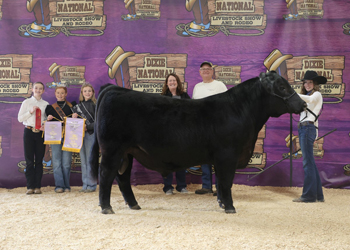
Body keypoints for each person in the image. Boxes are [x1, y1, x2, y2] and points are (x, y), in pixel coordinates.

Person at [192, 61, 227, 195]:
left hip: (217, 127)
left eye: (208, 69)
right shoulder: (197, 87)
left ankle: (220, 187)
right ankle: (206, 186)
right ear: (200, 72)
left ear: (212, 71)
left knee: (218, 157)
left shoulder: (220, 85)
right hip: (201, 127)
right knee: (204, 157)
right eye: (203, 69)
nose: (206, 71)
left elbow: (226, 105)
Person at [293, 70, 326, 203]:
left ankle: (308, 196)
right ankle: (318, 195)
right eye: (305, 82)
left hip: (307, 128)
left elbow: (311, 101)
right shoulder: (305, 96)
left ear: (315, 83)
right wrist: (316, 133)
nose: (307, 85)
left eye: (310, 82)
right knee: (310, 162)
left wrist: (295, 94)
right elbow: (314, 118)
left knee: (307, 163)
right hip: (305, 128)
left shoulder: (316, 95)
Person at [160, 73, 190, 195]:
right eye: (170, 80)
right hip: (167, 134)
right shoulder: (162, 97)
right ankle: (168, 187)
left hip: (182, 134)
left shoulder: (184, 96)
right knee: (167, 161)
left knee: (181, 161)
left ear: (177, 82)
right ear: (167, 83)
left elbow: (191, 111)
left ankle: (181, 186)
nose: (172, 82)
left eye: (174, 80)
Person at [18, 82, 49, 194]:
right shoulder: (26, 102)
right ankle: (30, 186)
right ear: (32, 89)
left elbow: (46, 119)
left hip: (40, 134)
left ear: (43, 91)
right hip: (29, 132)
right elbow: (20, 118)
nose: (38, 90)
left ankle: (38, 187)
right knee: (29, 160)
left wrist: (45, 124)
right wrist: (30, 112)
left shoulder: (46, 104)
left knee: (39, 160)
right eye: (36, 88)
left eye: (41, 88)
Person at [45, 86, 75, 193]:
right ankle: (59, 185)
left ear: (66, 94)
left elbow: (77, 122)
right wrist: (48, 118)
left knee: (66, 162)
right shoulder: (50, 108)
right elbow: (47, 121)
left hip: (68, 135)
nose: (60, 95)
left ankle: (67, 185)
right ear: (55, 94)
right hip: (55, 136)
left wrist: (75, 116)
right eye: (58, 93)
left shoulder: (72, 106)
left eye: (62, 93)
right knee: (57, 161)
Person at [72, 83, 98, 193]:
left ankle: (92, 185)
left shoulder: (96, 105)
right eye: (85, 91)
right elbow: (74, 124)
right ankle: (85, 184)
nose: (87, 93)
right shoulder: (77, 107)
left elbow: (98, 122)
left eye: (89, 91)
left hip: (90, 134)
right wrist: (74, 118)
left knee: (90, 160)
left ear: (92, 93)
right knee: (83, 160)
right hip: (79, 135)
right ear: (82, 93)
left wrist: (88, 127)